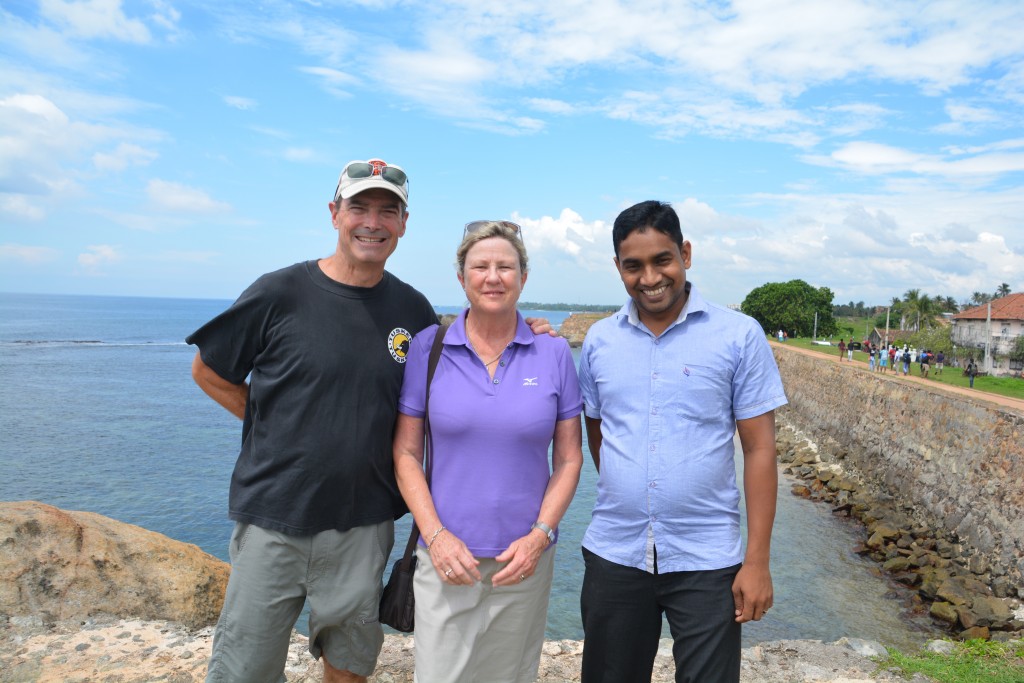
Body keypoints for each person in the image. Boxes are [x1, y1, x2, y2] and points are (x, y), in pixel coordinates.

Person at [187, 160, 551, 683]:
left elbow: (471, 346)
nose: (372, 222)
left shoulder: (412, 310)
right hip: (272, 515)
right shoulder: (279, 292)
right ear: (335, 213)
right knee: (244, 668)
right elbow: (209, 370)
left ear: (404, 224)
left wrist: (532, 329)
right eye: (359, 207)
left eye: (388, 211)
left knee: (350, 663)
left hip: (364, 524)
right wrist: (269, 424)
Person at [577, 201, 787, 683]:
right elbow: (598, 432)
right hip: (616, 552)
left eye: (662, 260)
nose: (650, 277)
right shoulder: (599, 341)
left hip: (707, 557)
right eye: (634, 265)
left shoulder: (738, 336)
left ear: (685, 254)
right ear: (618, 268)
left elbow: (759, 449)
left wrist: (756, 562)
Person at [392, 221, 583, 683]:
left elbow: (571, 459)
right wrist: (435, 536)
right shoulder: (428, 347)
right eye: (480, 266)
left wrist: (540, 536)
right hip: (445, 561)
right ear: (462, 277)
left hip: (524, 564)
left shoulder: (552, 352)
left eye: (506, 266)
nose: (493, 276)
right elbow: (405, 453)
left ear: (523, 276)